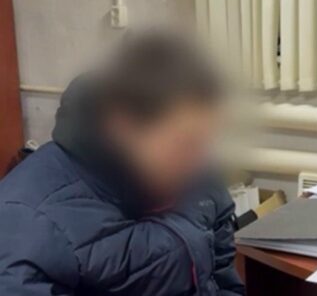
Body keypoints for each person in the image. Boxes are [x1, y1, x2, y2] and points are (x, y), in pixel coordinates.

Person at [0, 31, 244, 295]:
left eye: (206, 141)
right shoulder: (24, 224)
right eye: (186, 143)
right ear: (122, 127)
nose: (200, 163)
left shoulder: (197, 174)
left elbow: (223, 280)